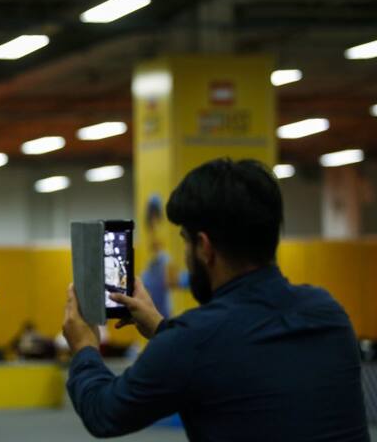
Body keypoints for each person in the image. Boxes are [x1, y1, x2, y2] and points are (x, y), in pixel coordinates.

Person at [62, 158, 369, 441]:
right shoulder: (329, 314)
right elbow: (237, 352)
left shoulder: (194, 340)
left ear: (204, 247)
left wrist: (85, 347)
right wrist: (162, 329)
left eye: (186, 242)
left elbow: (103, 413)